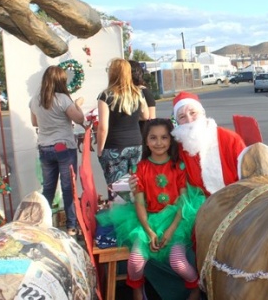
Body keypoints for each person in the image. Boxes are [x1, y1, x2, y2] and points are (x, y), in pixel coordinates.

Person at [99, 118, 205, 300]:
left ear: (171, 139)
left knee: (178, 262)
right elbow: (139, 203)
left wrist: (171, 231)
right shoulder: (140, 169)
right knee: (135, 261)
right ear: (146, 141)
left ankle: (196, 288)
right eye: (153, 138)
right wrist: (149, 231)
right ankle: (137, 290)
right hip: (148, 221)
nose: (159, 143)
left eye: (164, 137)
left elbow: (184, 203)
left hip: (176, 222)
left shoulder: (178, 167)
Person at [29, 65, 85, 236]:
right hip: (64, 147)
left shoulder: (35, 99)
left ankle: (44, 225)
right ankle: (71, 226)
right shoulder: (63, 99)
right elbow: (80, 119)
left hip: (45, 147)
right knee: (69, 188)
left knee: (48, 189)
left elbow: (35, 123)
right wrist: (77, 104)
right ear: (61, 81)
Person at [170, 91, 246, 196]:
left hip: (234, 198)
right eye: (182, 117)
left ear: (202, 113)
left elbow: (247, 173)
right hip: (198, 205)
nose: (189, 120)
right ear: (177, 122)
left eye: (193, 113)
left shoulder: (230, 139)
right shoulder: (178, 148)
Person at [97, 58, 149, 194]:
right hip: (136, 145)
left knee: (118, 190)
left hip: (114, 147)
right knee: (137, 186)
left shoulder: (105, 95)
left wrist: (100, 150)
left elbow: (103, 128)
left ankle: (119, 214)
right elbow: (146, 116)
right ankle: (137, 212)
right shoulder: (138, 93)